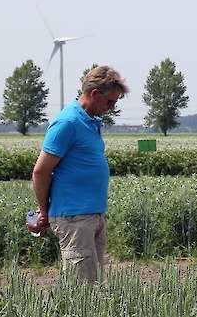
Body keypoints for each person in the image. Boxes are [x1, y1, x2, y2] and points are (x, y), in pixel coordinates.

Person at [30, 66, 129, 283]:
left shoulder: (92, 121)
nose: (112, 108)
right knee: (82, 290)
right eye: (110, 102)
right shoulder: (67, 122)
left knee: (92, 285)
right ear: (94, 94)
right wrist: (44, 211)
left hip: (92, 215)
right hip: (74, 218)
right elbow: (41, 171)